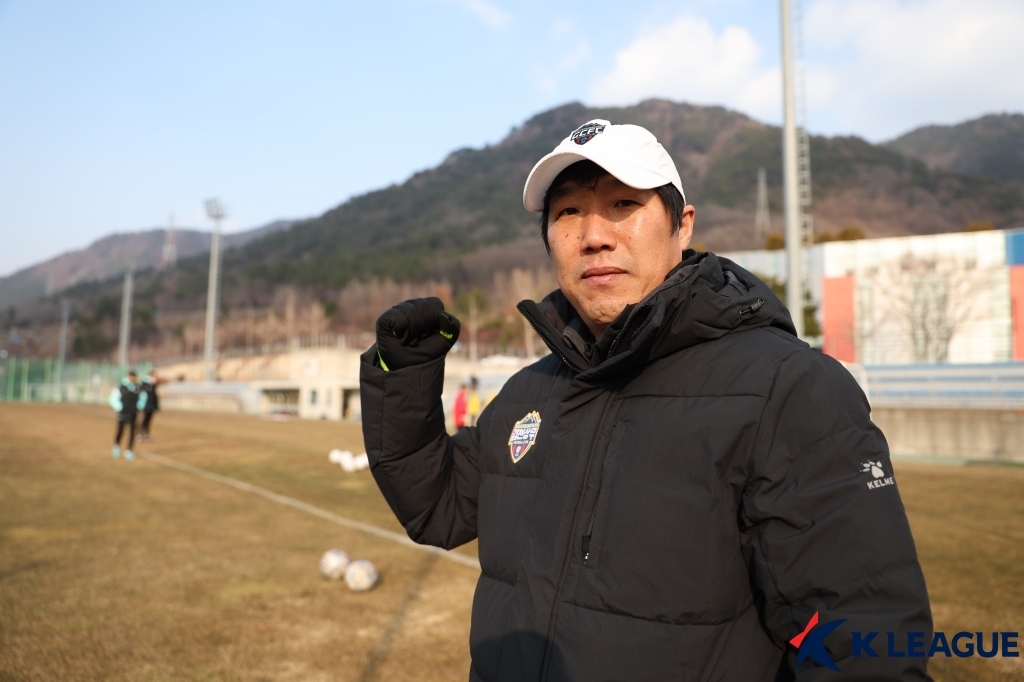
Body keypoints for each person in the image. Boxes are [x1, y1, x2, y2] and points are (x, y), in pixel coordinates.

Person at [360, 120, 932, 680]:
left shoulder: (786, 388)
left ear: (682, 226)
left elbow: (861, 638)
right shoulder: (530, 392)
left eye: (623, 205)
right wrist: (402, 376)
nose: (593, 235)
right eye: (567, 213)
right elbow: (438, 505)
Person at [109, 369, 147, 461]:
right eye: (131, 375)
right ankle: (117, 446)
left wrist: (139, 406)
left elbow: (143, 397)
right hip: (123, 412)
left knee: (132, 433)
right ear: (128, 376)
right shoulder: (121, 387)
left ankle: (129, 450)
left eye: (134, 376)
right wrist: (119, 407)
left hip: (133, 413)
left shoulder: (138, 387)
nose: (132, 377)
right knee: (120, 431)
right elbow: (113, 398)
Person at [138, 374, 160, 442]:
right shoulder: (144, 386)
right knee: (144, 421)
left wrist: (156, 406)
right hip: (145, 406)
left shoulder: (153, 387)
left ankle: (147, 435)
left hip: (151, 407)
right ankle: (140, 434)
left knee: (148, 421)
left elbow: (155, 398)